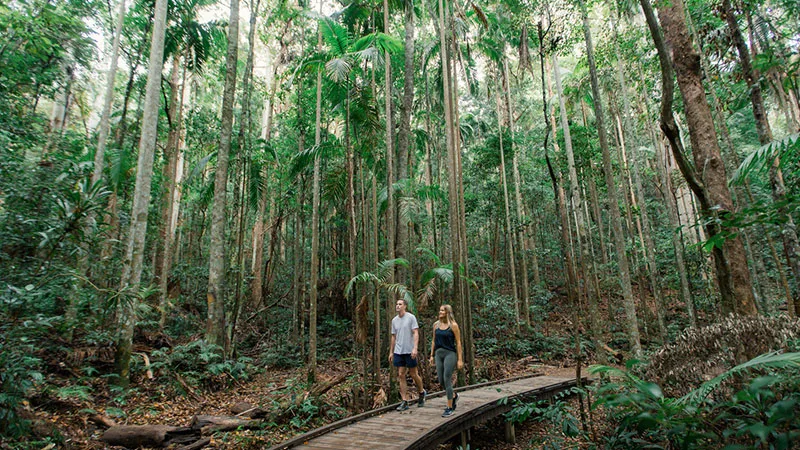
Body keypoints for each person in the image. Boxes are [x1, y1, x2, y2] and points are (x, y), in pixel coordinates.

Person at [388, 298, 427, 411]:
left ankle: (421, 392)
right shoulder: (394, 320)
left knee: (413, 374)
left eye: (400, 304)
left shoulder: (410, 318)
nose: (397, 306)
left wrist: (415, 348)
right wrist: (391, 351)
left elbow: (415, 332)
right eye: (397, 304)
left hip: (409, 350)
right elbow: (393, 336)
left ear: (405, 306)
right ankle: (404, 401)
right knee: (401, 374)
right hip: (399, 351)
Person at [429, 304, 463, 417]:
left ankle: (449, 407)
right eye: (439, 310)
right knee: (441, 380)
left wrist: (460, 360)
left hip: (450, 353)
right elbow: (433, 340)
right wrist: (432, 355)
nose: (440, 312)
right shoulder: (435, 325)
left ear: (447, 312)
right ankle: (454, 396)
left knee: (447, 378)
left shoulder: (453, 326)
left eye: (442, 310)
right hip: (439, 353)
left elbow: (458, 343)